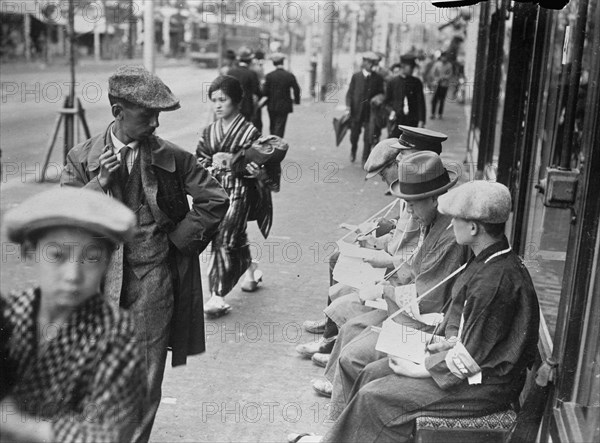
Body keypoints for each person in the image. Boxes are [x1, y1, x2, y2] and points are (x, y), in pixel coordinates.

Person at [295, 181, 540, 443]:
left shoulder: (494, 280)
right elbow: (472, 336)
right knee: (371, 373)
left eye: (456, 218)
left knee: (375, 396)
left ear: (473, 227)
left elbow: (469, 359)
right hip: (471, 370)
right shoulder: (490, 260)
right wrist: (438, 343)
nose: (451, 223)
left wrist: (420, 367)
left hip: (484, 387)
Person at [60, 65, 230, 442]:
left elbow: (215, 198)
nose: (155, 124)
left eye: (158, 115)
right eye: (147, 115)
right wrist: (98, 184)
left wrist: (178, 242)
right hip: (94, 285)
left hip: (152, 282)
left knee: (146, 377)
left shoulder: (173, 158)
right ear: (118, 112)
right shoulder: (81, 157)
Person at [311, 148, 470, 407]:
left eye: (413, 203)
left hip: (426, 324)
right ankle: (342, 407)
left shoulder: (449, 237)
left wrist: (384, 290)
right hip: (408, 309)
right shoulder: (432, 221)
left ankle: (343, 415)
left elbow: (426, 300)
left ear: (433, 198)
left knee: (354, 352)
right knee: (350, 325)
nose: (409, 210)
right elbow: (411, 266)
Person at [1, 187, 145, 442]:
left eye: (91, 258)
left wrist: (17, 425)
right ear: (29, 253)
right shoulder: (9, 313)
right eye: (57, 255)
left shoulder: (116, 333)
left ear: (108, 263)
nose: (73, 275)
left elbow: (106, 432)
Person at [197, 75, 281, 317]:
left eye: (223, 100)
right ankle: (252, 269)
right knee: (235, 234)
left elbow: (265, 162)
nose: (218, 105)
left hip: (240, 191)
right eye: (214, 100)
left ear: (236, 101)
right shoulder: (209, 131)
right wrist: (210, 165)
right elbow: (199, 159)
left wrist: (258, 172)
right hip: (215, 191)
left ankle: (217, 294)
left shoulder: (249, 131)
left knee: (222, 235)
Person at [346, 52, 385, 163]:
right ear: (364, 63)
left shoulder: (378, 78)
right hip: (356, 111)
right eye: (367, 62)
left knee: (368, 137)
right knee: (354, 136)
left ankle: (365, 158)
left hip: (370, 113)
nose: (370, 65)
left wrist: (378, 99)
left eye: (372, 63)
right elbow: (350, 93)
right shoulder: (356, 76)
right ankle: (353, 151)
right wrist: (348, 107)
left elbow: (382, 93)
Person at [385, 54, 426, 138]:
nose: (412, 70)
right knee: (393, 143)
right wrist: (391, 111)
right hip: (396, 120)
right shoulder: (392, 82)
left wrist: (421, 120)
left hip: (412, 120)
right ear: (403, 67)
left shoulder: (416, 82)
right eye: (410, 67)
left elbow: (420, 102)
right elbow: (386, 102)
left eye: (413, 67)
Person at [262, 52, 301, 137]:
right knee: (280, 126)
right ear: (283, 62)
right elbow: (296, 89)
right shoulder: (289, 75)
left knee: (272, 125)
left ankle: (272, 140)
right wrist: (297, 101)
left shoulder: (269, 76)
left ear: (273, 63)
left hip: (271, 105)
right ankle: (278, 143)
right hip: (284, 105)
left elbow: (264, 92)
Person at [228, 47, 262, 124]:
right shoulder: (252, 74)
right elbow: (257, 91)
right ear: (250, 60)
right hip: (246, 108)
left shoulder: (230, 72)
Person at [430, 52, 454, 120]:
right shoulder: (437, 64)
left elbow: (450, 74)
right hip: (437, 84)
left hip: (444, 85)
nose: (444, 58)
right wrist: (436, 78)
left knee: (442, 100)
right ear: (441, 57)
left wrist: (444, 77)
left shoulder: (449, 65)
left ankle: (440, 114)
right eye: (443, 57)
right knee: (434, 99)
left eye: (445, 57)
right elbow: (432, 72)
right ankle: (432, 113)